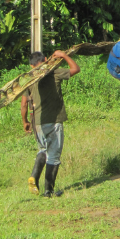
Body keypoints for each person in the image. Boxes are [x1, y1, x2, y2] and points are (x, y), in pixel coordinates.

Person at [19, 50, 80, 197]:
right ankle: (48, 191)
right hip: (53, 120)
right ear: (46, 60)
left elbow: (23, 104)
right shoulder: (54, 73)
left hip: (37, 122)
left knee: (42, 150)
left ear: (32, 65)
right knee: (53, 156)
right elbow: (75, 69)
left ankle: (34, 176)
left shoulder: (29, 79)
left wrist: (25, 121)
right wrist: (64, 56)